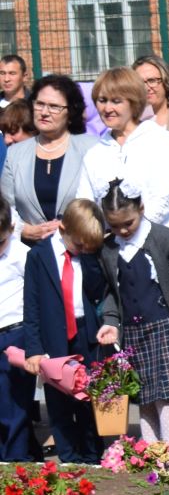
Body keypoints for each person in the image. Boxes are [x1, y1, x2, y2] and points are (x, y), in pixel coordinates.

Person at [20, 198, 113, 462]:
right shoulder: (38, 256)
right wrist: (34, 349)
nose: (83, 249)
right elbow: (32, 305)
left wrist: (92, 257)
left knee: (88, 398)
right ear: (62, 229)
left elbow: (97, 291)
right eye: (79, 244)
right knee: (59, 403)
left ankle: (93, 454)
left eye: (89, 246)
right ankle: (69, 457)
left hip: (86, 334)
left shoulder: (90, 255)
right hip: (54, 339)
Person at [95, 181, 169, 448]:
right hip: (133, 330)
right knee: (142, 393)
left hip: (163, 323)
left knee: (165, 392)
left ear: (141, 209)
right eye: (114, 226)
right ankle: (151, 450)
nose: (122, 230)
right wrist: (111, 322)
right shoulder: (108, 249)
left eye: (128, 224)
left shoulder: (164, 239)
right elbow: (111, 290)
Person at [1, 76, 98, 242]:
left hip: (80, 247)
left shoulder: (91, 148)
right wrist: (23, 229)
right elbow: (6, 205)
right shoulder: (15, 153)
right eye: (39, 104)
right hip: (32, 252)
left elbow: (101, 201)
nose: (44, 112)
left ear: (71, 112)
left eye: (54, 107)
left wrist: (72, 224)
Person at [81, 67, 169, 230]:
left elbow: (162, 202)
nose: (107, 108)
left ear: (134, 102)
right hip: (109, 248)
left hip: (155, 245)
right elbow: (86, 205)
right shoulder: (94, 153)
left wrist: (129, 232)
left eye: (116, 101)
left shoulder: (162, 141)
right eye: (102, 100)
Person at [0, 200, 32, 461]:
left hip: (15, 333)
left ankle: (15, 463)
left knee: (17, 404)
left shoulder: (21, 255)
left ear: (11, 229)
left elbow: (34, 297)